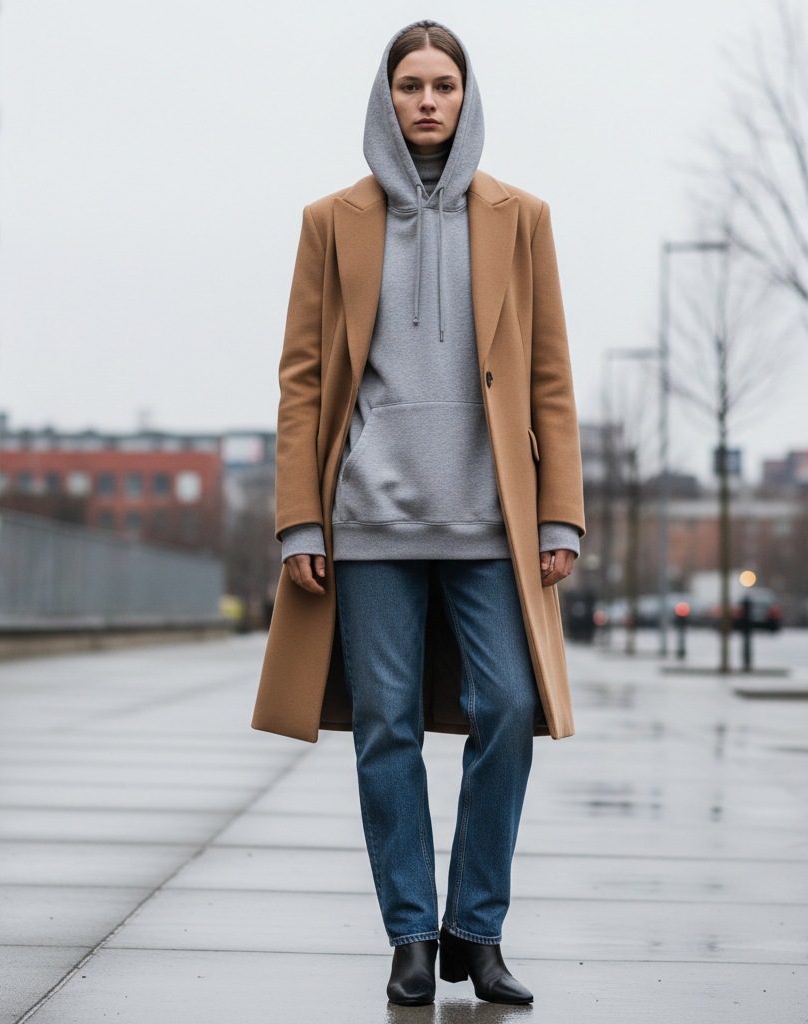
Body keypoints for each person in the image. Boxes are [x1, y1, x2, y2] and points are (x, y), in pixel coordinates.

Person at [253, 20, 585, 1006]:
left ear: (465, 95)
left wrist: (558, 513)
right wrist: (299, 520)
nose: (428, 101)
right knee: (384, 725)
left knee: (509, 710)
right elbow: (303, 382)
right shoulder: (332, 221)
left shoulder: (522, 218)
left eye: (443, 84)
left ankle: (474, 930)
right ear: (386, 97)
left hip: (492, 522)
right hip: (368, 524)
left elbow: (549, 376)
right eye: (410, 85)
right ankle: (408, 932)